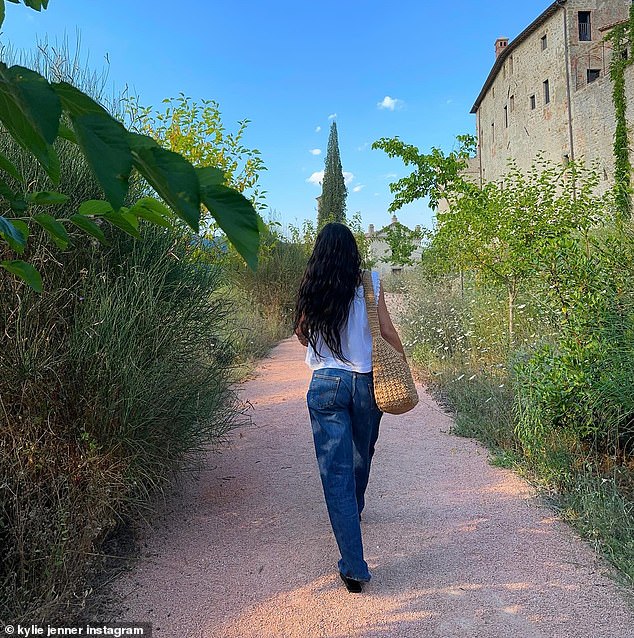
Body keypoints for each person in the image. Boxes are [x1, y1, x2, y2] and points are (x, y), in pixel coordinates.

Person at [294, 222, 405, 593]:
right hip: (365, 383)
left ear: (320, 252)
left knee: (335, 471)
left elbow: (301, 332)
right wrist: (403, 363)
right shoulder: (370, 281)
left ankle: (354, 566)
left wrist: (323, 346)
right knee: (364, 451)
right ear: (353, 250)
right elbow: (387, 331)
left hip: (326, 382)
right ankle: (353, 517)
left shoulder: (314, 283)